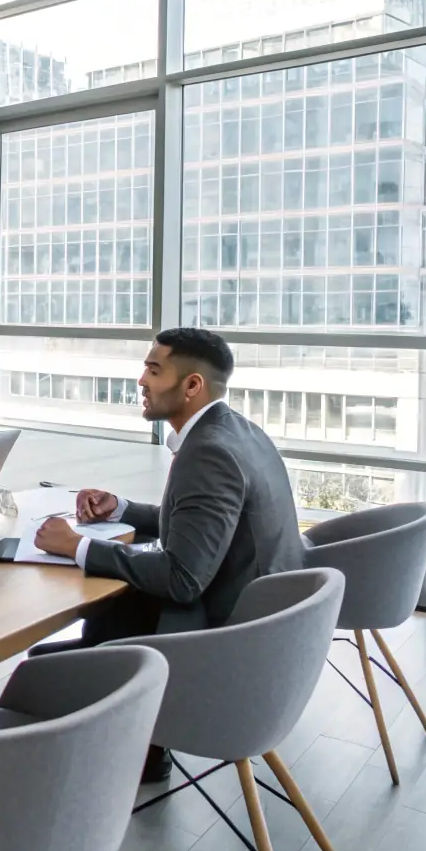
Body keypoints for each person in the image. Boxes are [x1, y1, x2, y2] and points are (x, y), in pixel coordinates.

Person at [32, 326, 302, 781]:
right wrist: (121, 508)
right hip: (261, 629)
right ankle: (138, 754)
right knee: (111, 611)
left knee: (47, 661)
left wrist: (77, 545)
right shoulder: (237, 430)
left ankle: (78, 783)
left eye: (153, 370)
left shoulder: (209, 453)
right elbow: (204, 526)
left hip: (220, 642)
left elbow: (183, 577)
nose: (141, 380)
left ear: (192, 386)